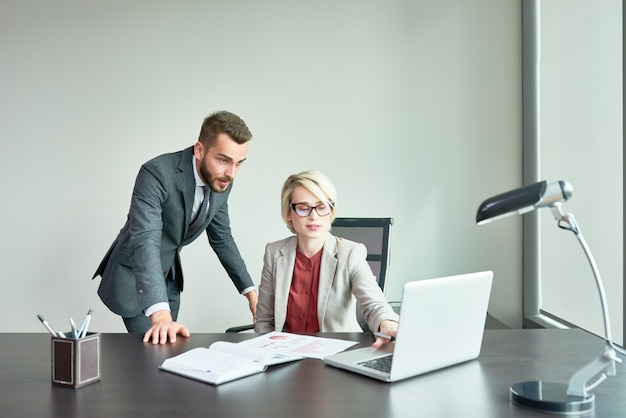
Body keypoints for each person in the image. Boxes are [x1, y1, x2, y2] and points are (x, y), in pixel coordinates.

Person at [93, 110, 257, 344]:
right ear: (199, 150)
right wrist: (160, 314)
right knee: (152, 353)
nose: (231, 173)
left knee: (168, 349)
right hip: (136, 275)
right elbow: (145, 241)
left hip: (169, 275)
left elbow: (222, 238)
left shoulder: (222, 181)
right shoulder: (156, 173)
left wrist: (250, 292)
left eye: (239, 163)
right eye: (223, 160)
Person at [254, 170, 398, 348]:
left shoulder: (351, 253)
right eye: (303, 208)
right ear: (289, 213)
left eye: (321, 207)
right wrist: (270, 351)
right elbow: (264, 319)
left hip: (336, 353)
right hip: (287, 355)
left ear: (330, 211)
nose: (313, 216)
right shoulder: (275, 253)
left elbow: (374, 303)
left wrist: (388, 322)